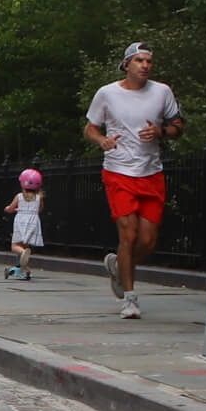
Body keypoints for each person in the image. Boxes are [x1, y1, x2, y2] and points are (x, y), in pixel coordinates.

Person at [84, 43, 183, 319]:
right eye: (139, 60)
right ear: (126, 64)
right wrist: (102, 139)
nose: (145, 65)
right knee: (128, 235)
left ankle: (118, 265)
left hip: (151, 173)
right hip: (118, 171)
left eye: (149, 61)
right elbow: (90, 128)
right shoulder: (107, 93)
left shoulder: (162, 91)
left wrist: (161, 131)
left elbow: (178, 127)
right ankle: (130, 299)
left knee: (148, 241)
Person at [4, 168, 44, 280]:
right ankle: (24, 270)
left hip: (21, 222)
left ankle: (22, 254)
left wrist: (8, 209)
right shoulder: (39, 198)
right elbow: (40, 210)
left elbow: (11, 208)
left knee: (15, 246)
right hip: (33, 223)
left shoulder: (19, 196)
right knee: (25, 245)